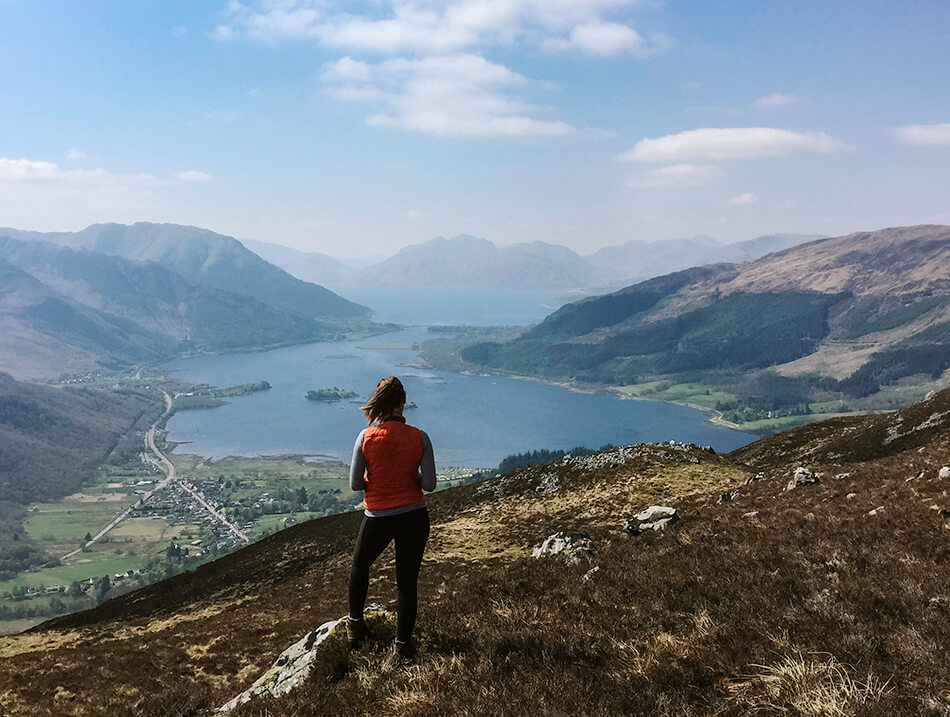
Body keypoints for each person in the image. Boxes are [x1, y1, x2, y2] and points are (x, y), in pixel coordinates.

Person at [347, 376, 436, 657]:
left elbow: (355, 484)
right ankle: (402, 646)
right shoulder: (420, 437)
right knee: (407, 582)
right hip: (414, 515)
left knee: (361, 565)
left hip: (378, 516)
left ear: (380, 403)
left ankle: (355, 625)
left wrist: (373, 479)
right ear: (402, 403)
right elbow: (429, 484)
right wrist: (413, 475)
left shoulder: (366, 437)